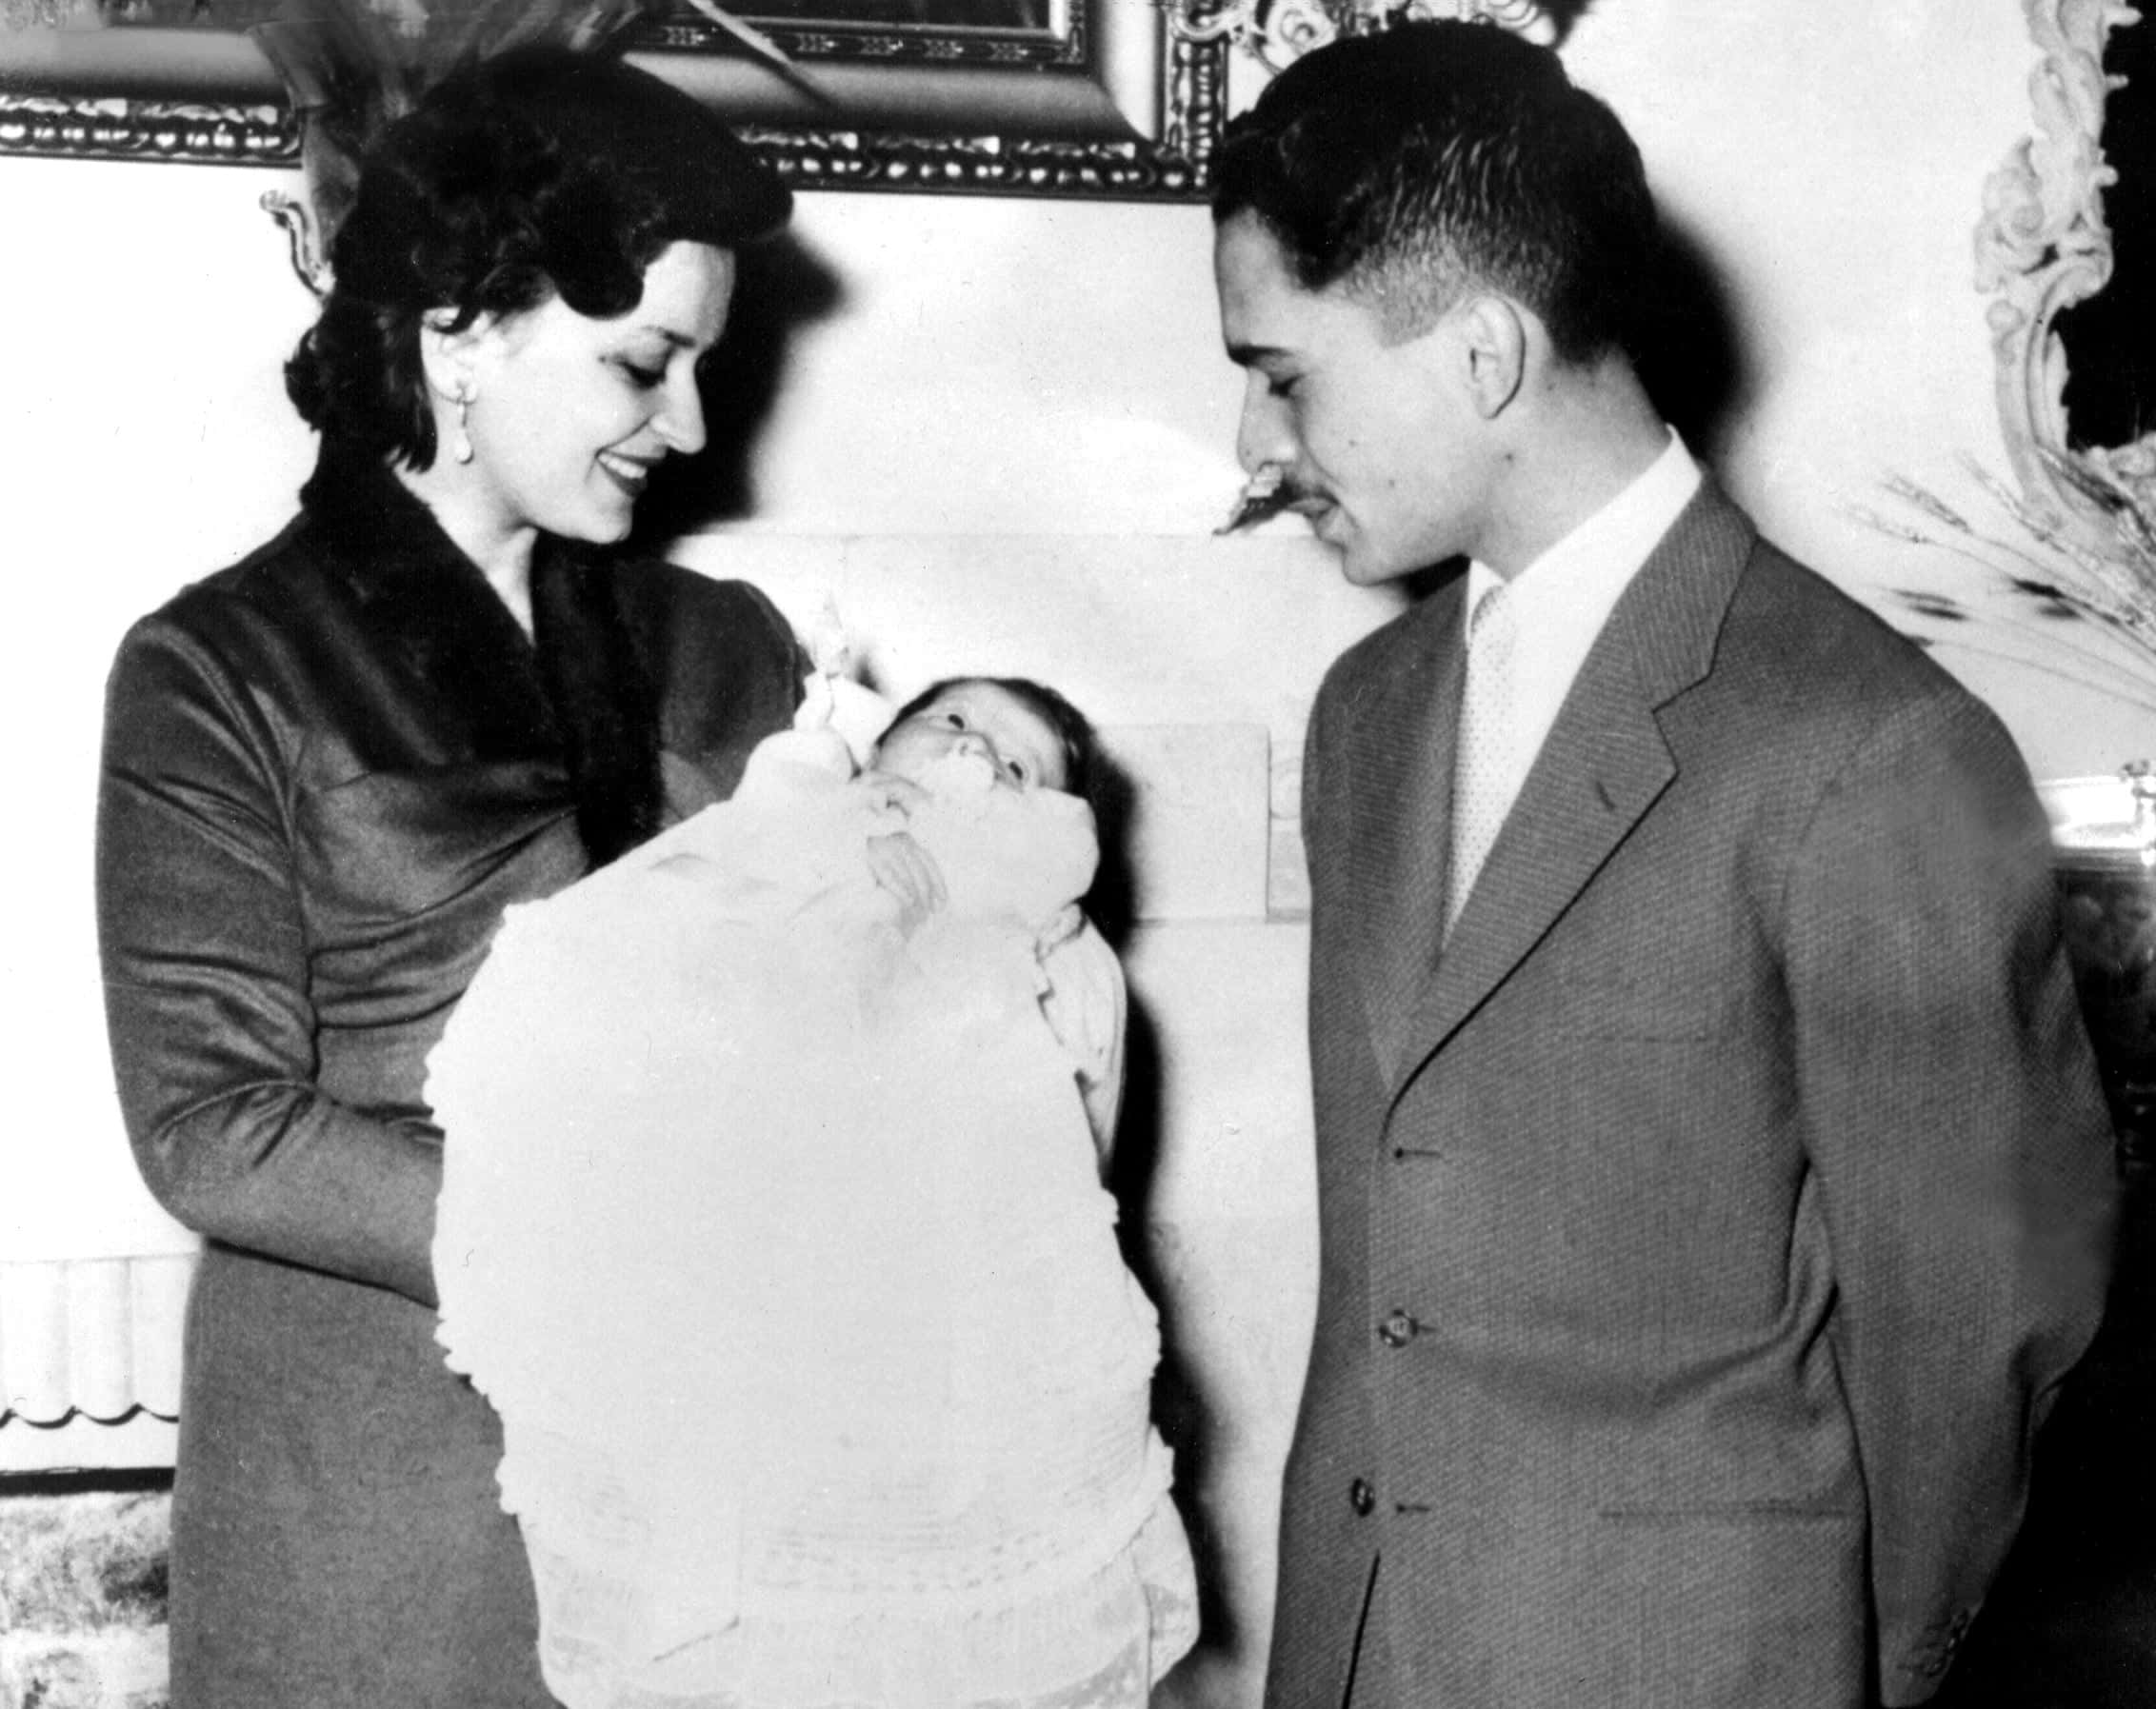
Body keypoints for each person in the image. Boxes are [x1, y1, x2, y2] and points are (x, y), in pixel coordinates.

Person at [1208, 21, 2120, 1708]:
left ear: (1482, 353)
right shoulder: (1365, 718)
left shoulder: (1870, 746)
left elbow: (1978, 1316)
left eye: (1282, 375)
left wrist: (1843, 1662)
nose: (1256, 445)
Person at [95, 47, 807, 1709]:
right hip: (381, 1502)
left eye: (701, 368)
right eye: (644, 365)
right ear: (460, 332)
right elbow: (212, 1126)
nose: (690, 426)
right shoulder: (220, 669)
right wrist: (612, 1245)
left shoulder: (728, 646)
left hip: (712, 1478)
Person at [425, 675, 1199, 1709]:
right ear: (879, 744)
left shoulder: (1052, 950)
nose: (974, 753)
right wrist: (812, 857)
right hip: (753, 1355)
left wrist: (952, 933)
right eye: (952, 720)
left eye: (1019, 767)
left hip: (933, 1386)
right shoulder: (774, 839)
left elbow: (1071, 1175)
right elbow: (640, 983)